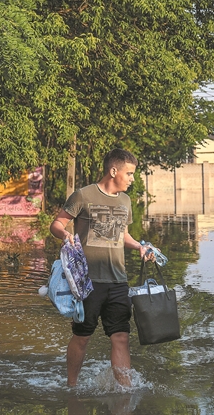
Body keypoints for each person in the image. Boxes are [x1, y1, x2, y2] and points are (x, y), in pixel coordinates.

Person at [50, 148, 154, 387]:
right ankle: (72, 386)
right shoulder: (83, 196)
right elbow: (57, 222)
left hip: (118, 281)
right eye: (129, 173)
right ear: (113, 170)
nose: (132, 178)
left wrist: (139, 246)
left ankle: (125, 392)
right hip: (87, 283)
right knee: (82, 337)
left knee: (120, 337)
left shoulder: (125, 201)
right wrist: (63, 233)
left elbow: (122, 236)